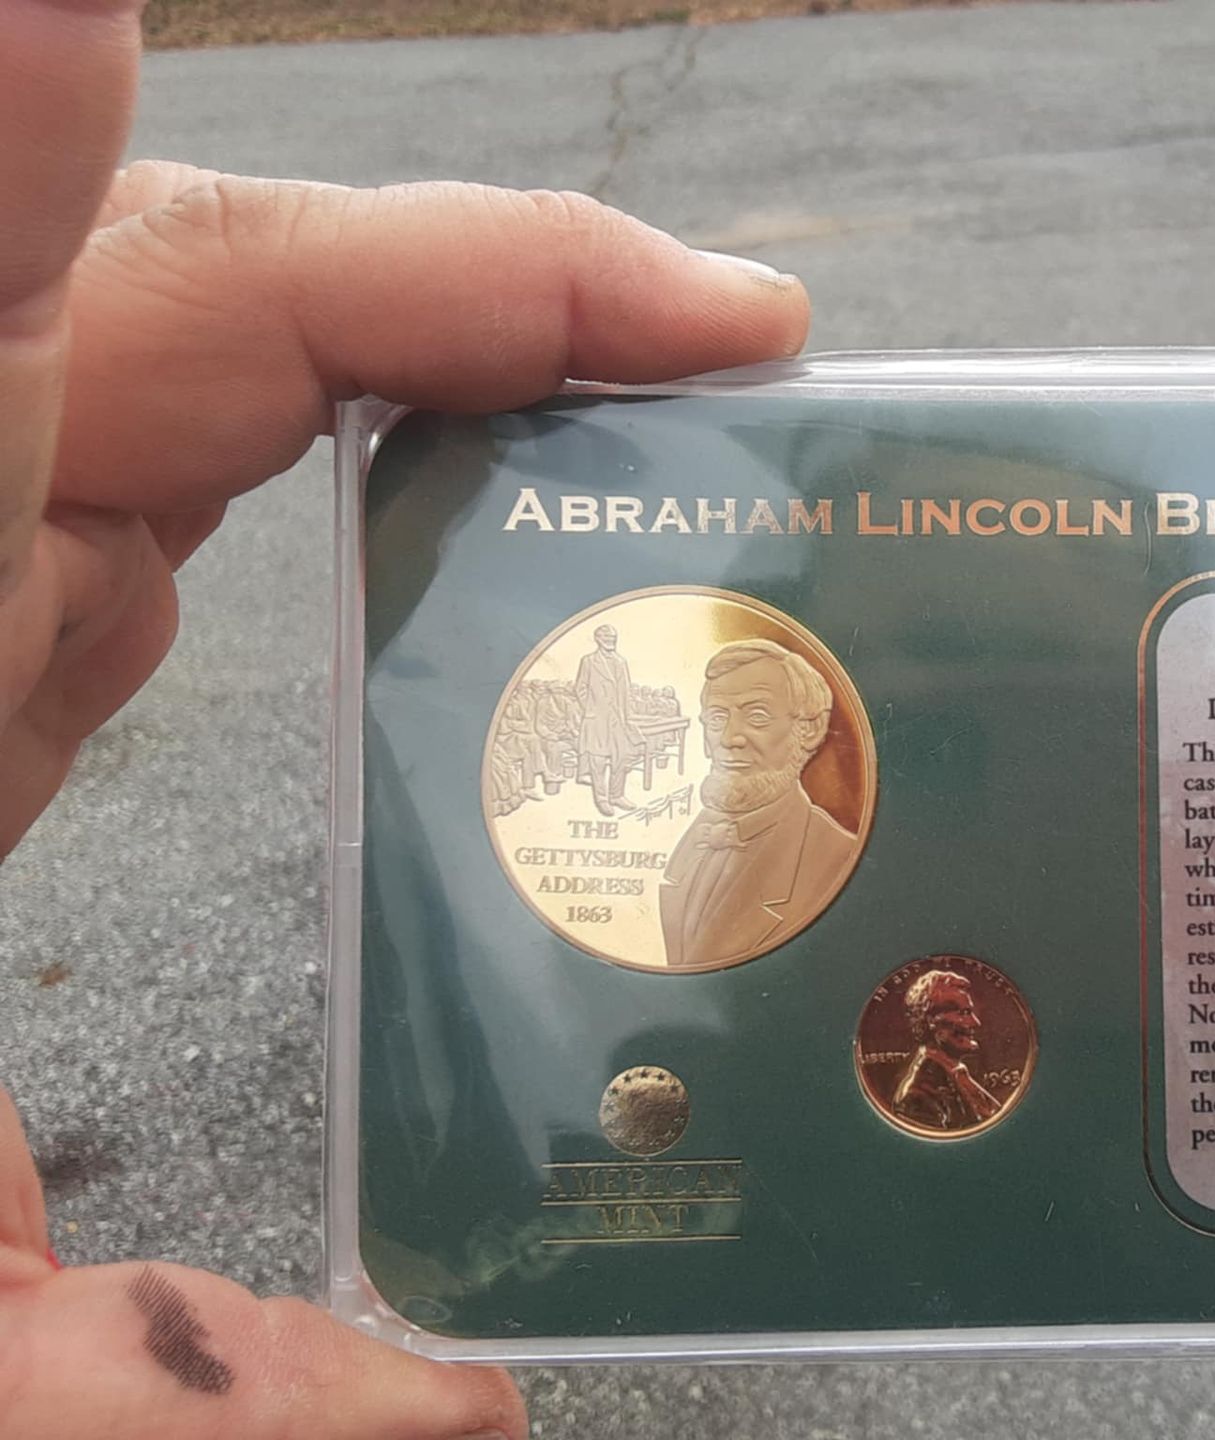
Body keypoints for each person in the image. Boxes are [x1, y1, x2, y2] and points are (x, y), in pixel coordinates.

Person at [0, 2, 809, 1433]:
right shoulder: (679, 827)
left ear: (805, 734)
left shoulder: (794, 846)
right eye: (716, 705)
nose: (730, 732)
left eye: (758, 712)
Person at [657, 639, 857, 968]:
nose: (729, 739)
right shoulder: (686, 839)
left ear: (811, 729)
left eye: (757, 716)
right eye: (717, 718)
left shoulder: (835, 855)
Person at [891, 970, 1002, 1132]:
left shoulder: (958, 1075)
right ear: (931, 1021)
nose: (975, 1022)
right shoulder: (917, 1096)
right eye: (964, 1013)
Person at [573, 624, 639, 814]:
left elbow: (625, 692)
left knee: (621, 758)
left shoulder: (621, 662)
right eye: (607, 638)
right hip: (597, 720)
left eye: (613, 638)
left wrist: (627, 717)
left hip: (617, 720)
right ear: (598, 639)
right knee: (598, 761)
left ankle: (616, 796)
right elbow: (580, 688)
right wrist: (591, 708)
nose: (611, 641)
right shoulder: (588, 661)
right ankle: (601, 799)